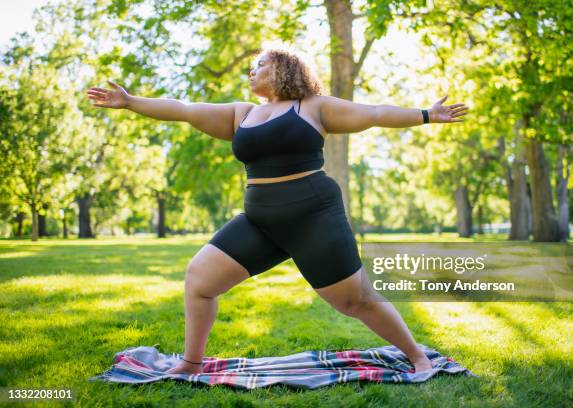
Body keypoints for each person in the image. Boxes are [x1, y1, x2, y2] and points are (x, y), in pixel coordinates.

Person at [86, 48, 468, 375]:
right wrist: (132, 102)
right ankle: (191, 362)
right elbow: (184, 110)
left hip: (312, 215)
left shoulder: (314, 107)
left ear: (285, 69)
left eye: (261, 64)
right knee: (200, 281)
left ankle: (418, 356)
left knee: (355, 301)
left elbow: (375, 113)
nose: (252, 70)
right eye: (251, 66)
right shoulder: (241, 114)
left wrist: (426, 115)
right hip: (260, 220)